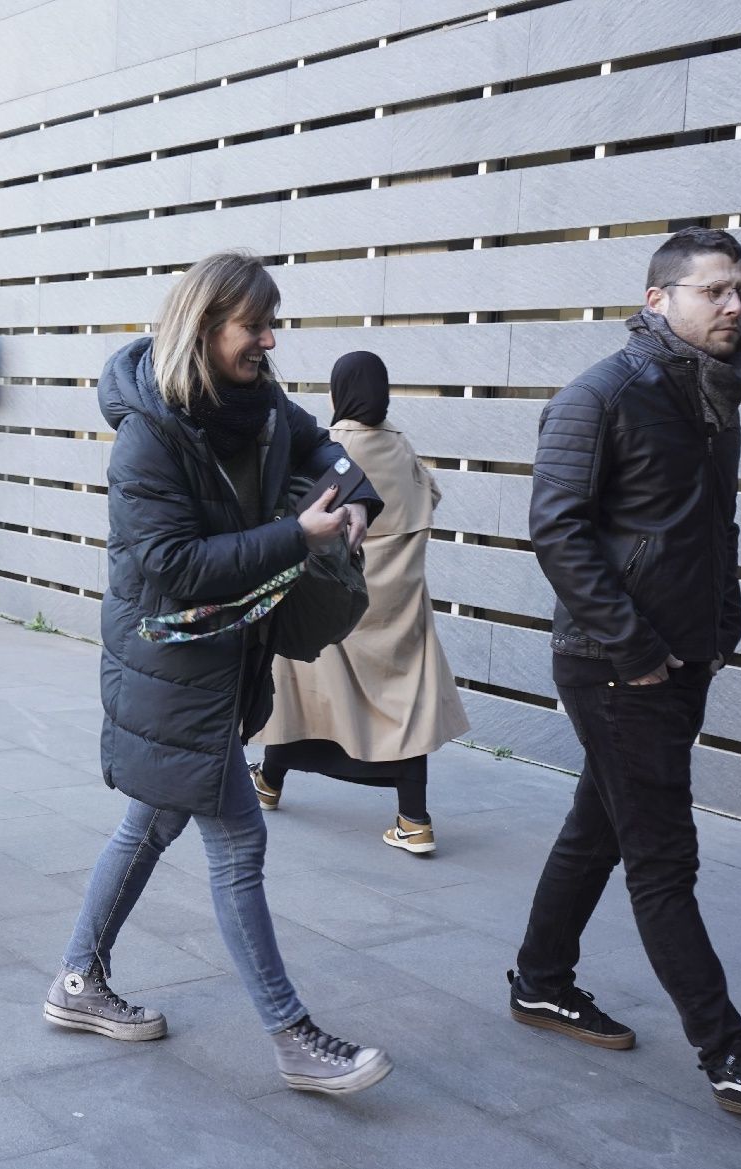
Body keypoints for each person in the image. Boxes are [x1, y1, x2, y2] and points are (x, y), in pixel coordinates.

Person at [44, 252, 394, 1098]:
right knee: (240, 841)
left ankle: (77, 983)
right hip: (172, 667)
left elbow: (325, 449)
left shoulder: (260, 399)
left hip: (225, 657)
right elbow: (171, 565)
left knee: (149, 825)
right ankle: (292, 1035)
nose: (270, 340)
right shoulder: (147, 435)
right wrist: (296, 537)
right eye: (254, 326)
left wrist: (353, 499)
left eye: (274, 324)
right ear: (204, 328)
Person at [508, 227, 741, 1122]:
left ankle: (539, 981)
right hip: (617, 666)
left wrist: (720, 622)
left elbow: (707, 524)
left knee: (599, 826)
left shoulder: (710, 391)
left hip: (680, 655)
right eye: (713, 290)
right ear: (658, 300)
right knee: (662, 857)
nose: (733, 305)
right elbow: (558, 531)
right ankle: (729, 1055)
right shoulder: (600, 396)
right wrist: (637, 648)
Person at [252, 351, 469, 854]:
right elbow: (428, 500)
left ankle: (270, 781)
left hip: (339, 604)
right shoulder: (404, 449)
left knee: (301, 693)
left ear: (338, 393)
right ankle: (414, 820)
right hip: (401, 609)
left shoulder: (331, 449)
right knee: (405, 711)